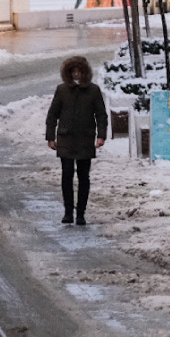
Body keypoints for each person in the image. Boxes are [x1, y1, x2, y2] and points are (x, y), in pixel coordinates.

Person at [45, 55, 107, 226]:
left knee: (83, 177)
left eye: (79, 71)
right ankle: (67, 212)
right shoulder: (62, 90)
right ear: (69, 73)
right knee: (66, 175)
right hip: (65, 139)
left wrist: (101, 135)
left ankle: (80, 213)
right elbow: (52, 115)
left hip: (85, 139)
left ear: (84, 72)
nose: (76, 75)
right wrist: (50, 137)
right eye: (73, 71)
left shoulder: (93, 91)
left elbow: (101, 115)